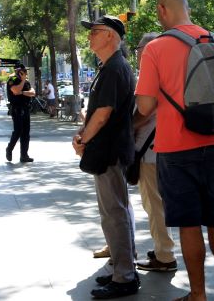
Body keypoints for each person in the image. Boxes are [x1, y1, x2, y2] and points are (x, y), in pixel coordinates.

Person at [135, 0, 214, 301]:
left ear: (162, 10)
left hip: (173, 147)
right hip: (213, 143)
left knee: (188, 223)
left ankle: (197, 293)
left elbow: (144, 107)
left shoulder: (155, 48)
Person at [73, 15, 138, 299]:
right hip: (109, 149)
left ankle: (124, 276)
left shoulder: (114, 68)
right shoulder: (110, 67)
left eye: (95, 32)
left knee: (114, 214)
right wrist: (82, 134)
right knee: (116, 212)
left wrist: (82, 140)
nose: (90, 37)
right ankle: (121, 268)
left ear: (111, 36)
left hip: (110, 150)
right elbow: (95, 112)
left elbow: (102, 115)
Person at [132, 32, 178, 273]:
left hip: (151, 151)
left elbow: (143, 111)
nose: (138, 53)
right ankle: (163, 248)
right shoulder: (168, 71)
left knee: (154, 204)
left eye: (140, 48)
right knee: (157, 203)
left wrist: (125, 128)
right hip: (162, 147)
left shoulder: (153, 73)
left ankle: (165, 255)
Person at [6, 63, 35, 163]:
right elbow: (15, 90)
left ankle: (24, 155)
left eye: (25, 71)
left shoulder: (26, 82)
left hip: (26, 109)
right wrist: (22, 81)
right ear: (18, 71)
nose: (25, 73)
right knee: (18, 131)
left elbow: (33, 93)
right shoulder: (12, 80)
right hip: (17, 109)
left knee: (26, 133)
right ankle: (9, 149)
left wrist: (22, 92)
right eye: (23, 71)